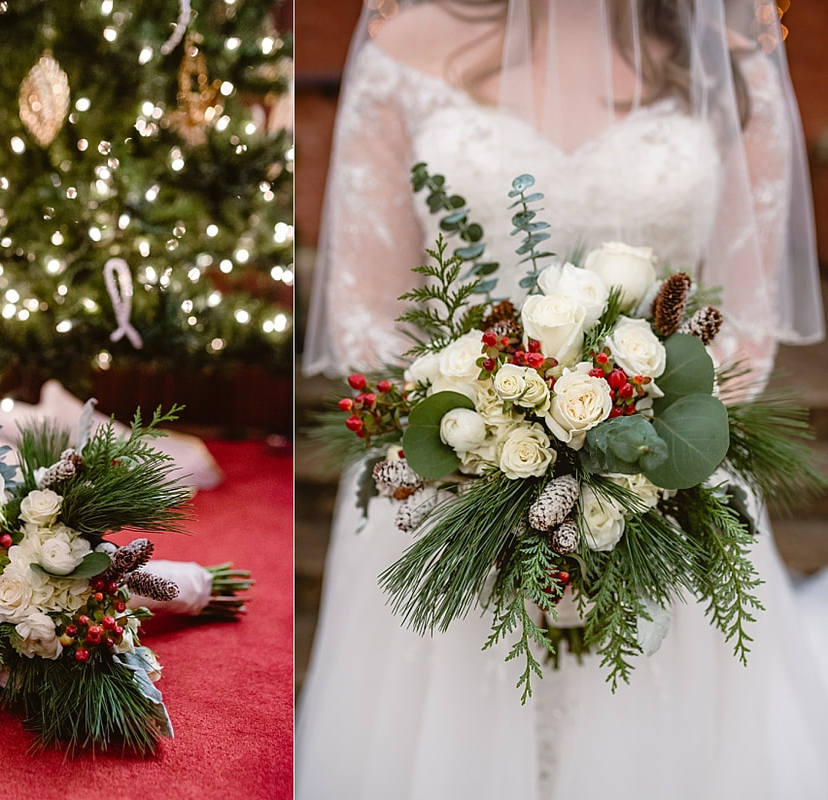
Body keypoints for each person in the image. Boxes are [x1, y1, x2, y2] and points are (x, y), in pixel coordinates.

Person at [297, 1, 828, 798]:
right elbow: (367, 321)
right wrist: (484, 452)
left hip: (669, 483)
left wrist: (631, 462)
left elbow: (743, 331)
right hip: (445, 489)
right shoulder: (399, 54)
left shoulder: (731, 59)